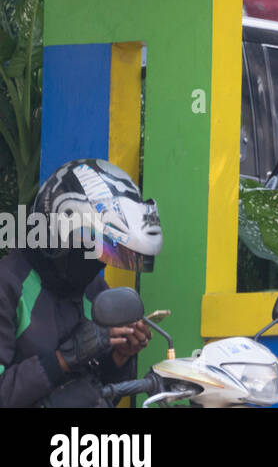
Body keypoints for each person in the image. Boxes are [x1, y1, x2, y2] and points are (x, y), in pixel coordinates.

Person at [0, 159, 162, 407]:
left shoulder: (94, 291)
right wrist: (64, 358)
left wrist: (119, 356)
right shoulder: (8, 284)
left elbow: (100, 393)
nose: (101, 262)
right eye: (97, 248)